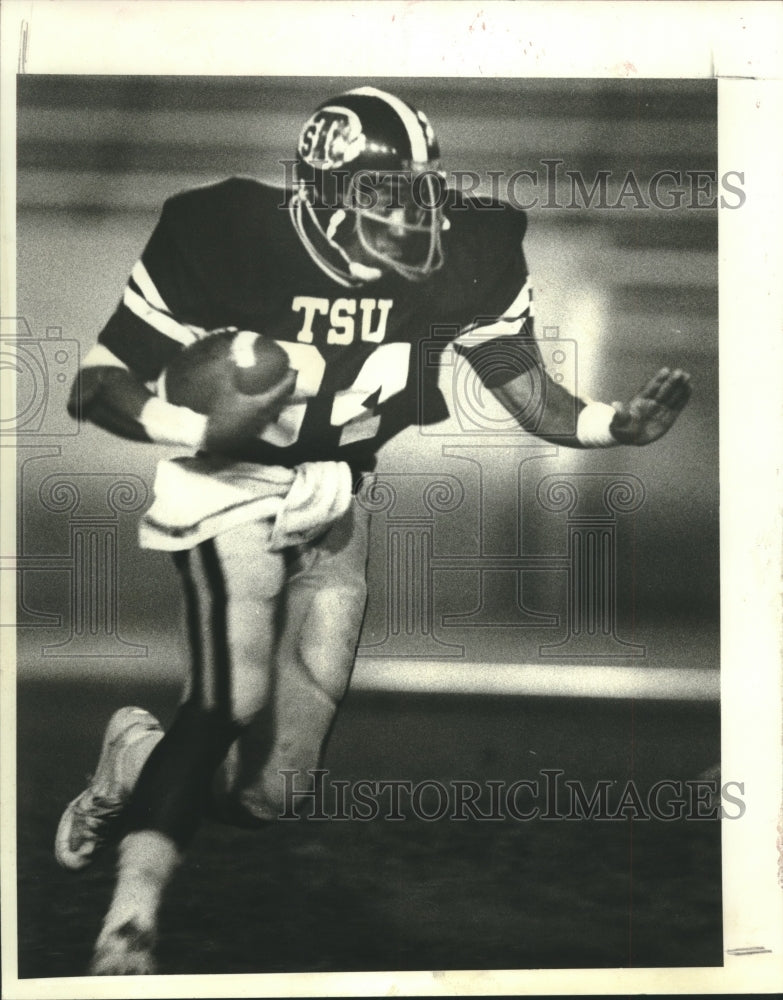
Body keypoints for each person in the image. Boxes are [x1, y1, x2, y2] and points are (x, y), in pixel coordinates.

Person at [54, 86, 692, 975]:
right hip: (225, 485)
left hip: (337, 495)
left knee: (272, 794)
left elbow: (526, 388)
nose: (408, 211)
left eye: (418, 190)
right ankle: (130, 919)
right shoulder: (225, 232)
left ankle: (133, 761)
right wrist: (198, 431)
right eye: (380, 191)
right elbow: (97, 382)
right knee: (226, 702)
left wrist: (606, 426)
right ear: (318, 192)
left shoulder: (471, 252)